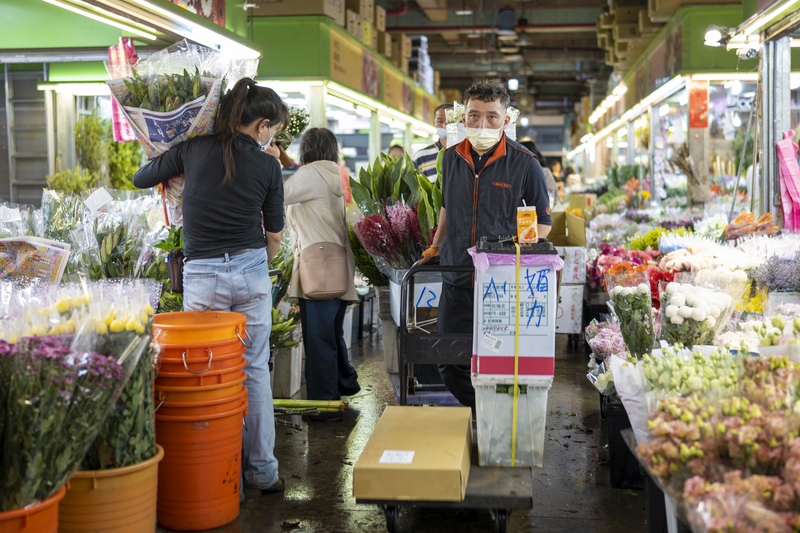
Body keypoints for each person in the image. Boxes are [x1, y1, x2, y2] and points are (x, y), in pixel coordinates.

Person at [133, 77, 288, 495]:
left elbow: (140, 177)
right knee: (254, 370)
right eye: (274, 129)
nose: (273, 137)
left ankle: (217, 476)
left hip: (202, 279)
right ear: (262, 126)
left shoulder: (193, 149)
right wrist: (259, 266)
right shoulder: (269, 165)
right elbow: (274, 233)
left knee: (207, 376)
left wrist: (175, 150)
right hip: (252, 270)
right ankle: (263, 473)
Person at [418, 80, 552, 412]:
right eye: (474, 116)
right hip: (456, 277)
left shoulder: (525, 163)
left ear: (506, 121)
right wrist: (436, 246)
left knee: (498, 357)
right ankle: (482, 411)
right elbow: (447, 209)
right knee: (449, 359)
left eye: (492, 117)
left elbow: (543, 224)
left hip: (502, 283)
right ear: (463, 117)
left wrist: (516, 252)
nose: (482, 124)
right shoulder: (449, 159)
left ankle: (496, 418)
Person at [283, 128, 361, 422]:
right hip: (338, 267)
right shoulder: (332, 173)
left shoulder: (310, 174)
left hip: (317, 270)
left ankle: (323, 405)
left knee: (318, 341)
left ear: (307, 149)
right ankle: (343, 385)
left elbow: (278, 194)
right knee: (331, 334)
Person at [412, 103, 454, 181]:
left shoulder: (467, 153)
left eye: (450, 121)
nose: (445, 125)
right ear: (434, 123)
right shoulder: (421, 156)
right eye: (440, 121)